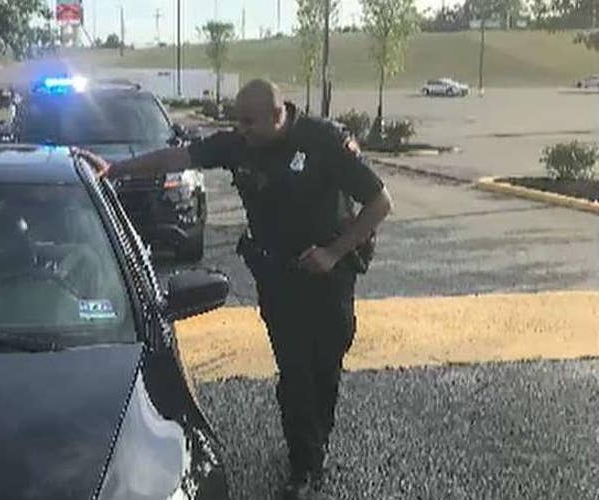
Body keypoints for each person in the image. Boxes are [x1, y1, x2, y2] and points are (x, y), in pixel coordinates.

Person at [80, 79, 393, 500]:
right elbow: (179, 156)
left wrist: (335, 253)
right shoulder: (237, 144)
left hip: (329, 275)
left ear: (277, 115)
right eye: (236, 121)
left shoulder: (324, 141)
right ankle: (305, 467)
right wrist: (115, 170)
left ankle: (314, 443)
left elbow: (379, 202)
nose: (240, 129)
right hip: (279, 277)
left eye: (248, 122)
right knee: (295, 368)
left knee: (326, 366)